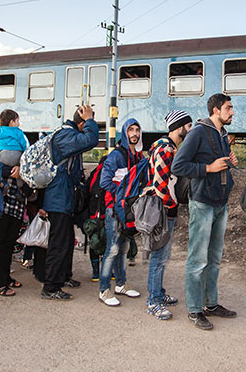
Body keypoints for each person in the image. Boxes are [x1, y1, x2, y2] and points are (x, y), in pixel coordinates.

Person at [173, 93, 239, 330]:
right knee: (198, 258)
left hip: (220, 202)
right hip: (202, 202)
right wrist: (208, 168)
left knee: (214, 258)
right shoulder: (198, 132)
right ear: (215, 110)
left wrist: (229, 161)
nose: (232, 112)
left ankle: (210, 304)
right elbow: (178, 165)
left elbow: (219, 163)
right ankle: (194, 309)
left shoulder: (221, 133)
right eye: (229, 108)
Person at [40, 105, 98, 300]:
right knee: (59, 243)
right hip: (58, 198)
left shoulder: (69, 134)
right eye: (87, 123)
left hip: (64, 197)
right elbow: (90, 140)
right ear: (81, 123)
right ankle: (50, 286)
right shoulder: (65, 136)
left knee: (66, 241)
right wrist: (90, 119)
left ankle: (64, 276)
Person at [140, 110, 193, 320]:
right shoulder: (165, 149)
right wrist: (170, 207)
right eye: (187, 126)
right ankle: (153, 301)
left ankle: (159, 293)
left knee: (162, 256)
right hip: (162, 210)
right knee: (159, 257)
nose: (189, 129)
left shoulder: (167, 146)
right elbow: (161, 185)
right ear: (179, 127)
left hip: (166, 209)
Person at [98, 118, 144, 306]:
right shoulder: (117, 155)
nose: (134, 134)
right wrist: (124, 192)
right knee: (112, 249)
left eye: (137, 130)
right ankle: (104, 290)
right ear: (125, 133)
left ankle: (121, 284)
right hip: (114, 209)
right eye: (131, 130)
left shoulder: (139, 157)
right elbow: (104, 181)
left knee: (123, 249)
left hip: (128, 210)